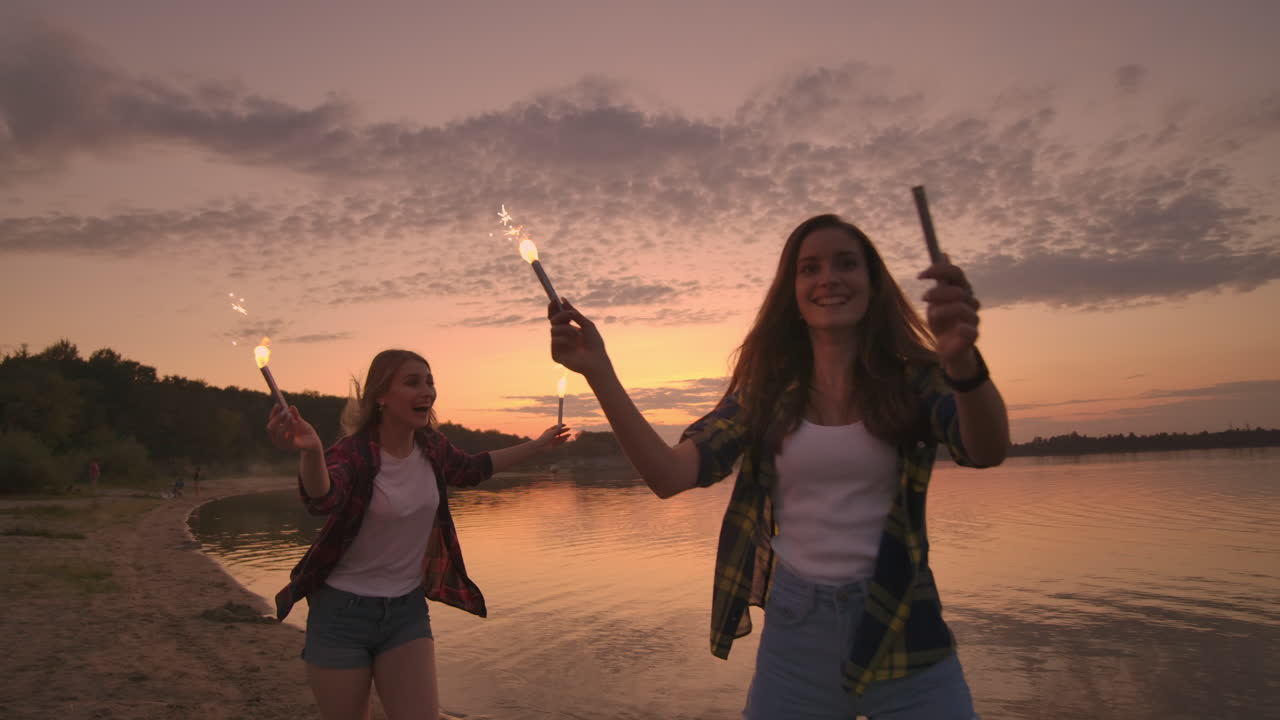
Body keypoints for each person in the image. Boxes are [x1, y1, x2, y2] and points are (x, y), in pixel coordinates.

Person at [549, 214, 1009, 719]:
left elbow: (985, 450)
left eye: (846, 264)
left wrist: (963, 363)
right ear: (792, 292)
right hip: (797, 636)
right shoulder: (765, 393)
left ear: (873, 283)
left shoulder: (916, 379)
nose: (828, 278)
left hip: (907, 626)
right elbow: (668, 475)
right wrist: (598, 371)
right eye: (810, 268)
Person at [266, 349, 569, 720]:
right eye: (412, 383)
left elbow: (471, 469)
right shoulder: (354, 453)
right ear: (381, 396)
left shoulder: (431, 447)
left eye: (429, 382)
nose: (427, 391)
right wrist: (312, 452)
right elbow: (323, 498)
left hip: (405, 613)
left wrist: (538, 446)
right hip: (340, 614)